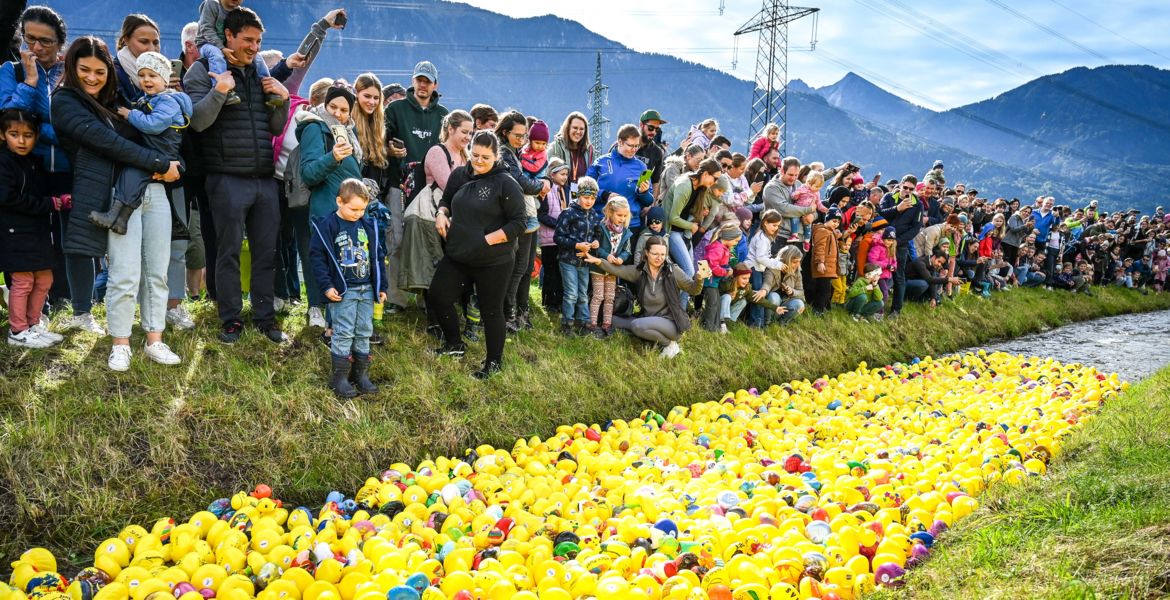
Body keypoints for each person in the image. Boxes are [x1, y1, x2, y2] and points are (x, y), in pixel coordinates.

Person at [184, 7, 290, 344]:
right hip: (225, 177)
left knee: (265, 251)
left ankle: (264, 318)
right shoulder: (202, 72)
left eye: (258, 41)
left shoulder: (261, 76)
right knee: (227, 252)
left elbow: (274, 127)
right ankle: (230, 319)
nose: (254, 47)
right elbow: (197, 122)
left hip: (263, 178)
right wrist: (220, 90)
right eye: (248, 40)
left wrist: (281, 100)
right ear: (228, 36)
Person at [430, 130, 526, 379]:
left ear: (496, 156)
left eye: (485, 157)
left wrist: (486, 240)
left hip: (493, 260)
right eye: (475, 155)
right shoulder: (460, 174)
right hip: (458, 253)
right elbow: (447, 199)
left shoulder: (506, 183)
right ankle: (454, 344)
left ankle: (493, 363)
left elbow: (519, 223)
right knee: (439, 296)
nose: (479, 161)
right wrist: (441, 213)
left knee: (491, 310)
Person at [1, 5, 72, 308]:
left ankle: (68, 303)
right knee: (27, 238)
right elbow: (9, 119)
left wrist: (36, 123)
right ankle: (29, 310)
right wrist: (30, 82)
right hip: (28, 168)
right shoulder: (10, 71)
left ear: (60, 42)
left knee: (70, 240)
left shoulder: (73, 71)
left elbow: (76, 125)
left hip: (70, 168)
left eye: (46, 41)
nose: (37, 48)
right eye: (30, 39)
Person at [88, 52, 191, 235]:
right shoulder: (151, 99)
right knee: (133, 176)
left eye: (152, 75)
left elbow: (154, 125)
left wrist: (131, 114)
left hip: (161, 151)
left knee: (132, 173)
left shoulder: (168, 101)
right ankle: (121, 221)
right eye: (142, 75)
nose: (146, 80)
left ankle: (114, 215)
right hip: (154, 150)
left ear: (165, 79)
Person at [309, 178, 387, 398]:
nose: (358, 213)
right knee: (343, 332)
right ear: (339, 201)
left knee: (364, 330)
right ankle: (339, 378)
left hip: (366, 289)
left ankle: (359, 375)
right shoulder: (328, 226)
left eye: (362, 209)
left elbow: (378, 257)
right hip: (344, 291)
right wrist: (326, 286)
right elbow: (317, 259)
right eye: (353, 209)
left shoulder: (367, 225)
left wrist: (382, 286)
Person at [383, 60, 447, 314]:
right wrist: (389, 147)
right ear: (413, 81)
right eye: (419, 80)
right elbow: (382, 137)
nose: (423, 85)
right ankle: (395, 299)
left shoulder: (443, 114)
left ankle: (426, 297)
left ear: (435, 85)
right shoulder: (396, 109)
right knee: (397, 239)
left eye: (428, 81)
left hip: (432, 189)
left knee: (430, 240)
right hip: (400, 183)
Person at [0, 108, 67, 347]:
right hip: (13, 233)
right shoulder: (3, 162)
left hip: (38, 230)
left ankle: (33, 324)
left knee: (45, 278)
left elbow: (42, 192)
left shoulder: (33, 162)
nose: (21, 140)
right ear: (2, 135)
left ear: (36, 136)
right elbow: (7, 198)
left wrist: (58, 198)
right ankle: (17, 331)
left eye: (28, 135)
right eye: (14, 134)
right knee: (23, 281)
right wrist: (48, 203)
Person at [582, 236, 708, 359]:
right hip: (648, 318)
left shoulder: (673, 271)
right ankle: (648, 333)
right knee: (613, 320)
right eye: (655, 254)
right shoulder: (640, 272)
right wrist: (598, 261)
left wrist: (699, 279)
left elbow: (694, 289)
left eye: (663, 254)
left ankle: (669, 344)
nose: (659, 258)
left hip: (671, 323)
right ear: (647, 253)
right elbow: (618, 270)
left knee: (637, 326)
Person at [401, 109, 470, 326]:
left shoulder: (465, 155)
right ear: (450, 129)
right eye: (464, 132)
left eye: (471, 133)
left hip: (452, 215)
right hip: (427, 216)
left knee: (446, 266)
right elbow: (449, 185)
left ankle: (444, 315)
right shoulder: (437, 152)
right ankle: (434, 321)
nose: (468, 137)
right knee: (432, 267)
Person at [494, 111, 547, 332]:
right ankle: (510, 313)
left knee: (525, 267)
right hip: (515, 215)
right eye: (518, 135)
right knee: (518, 267)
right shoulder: (504, 153)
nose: (522, 139)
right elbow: (520, 182)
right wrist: (541, 186)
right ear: (505, 132)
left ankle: (521, 310)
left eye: (524, 135)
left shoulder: (515, 152)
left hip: (526, 213)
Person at [196, 0, 278, 107]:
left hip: (223, 44)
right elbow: (206, 29)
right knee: (216, 55)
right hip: (206, 43)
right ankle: (223, 87)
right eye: (248, 40)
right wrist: (221, 48)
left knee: (258, 59)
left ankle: (269, 90)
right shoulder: (212, 5)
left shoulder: (236, 10)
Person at [661, 158, 721, 301]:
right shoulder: (684, 185)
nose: (716, 182)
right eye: (715, 178)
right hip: (672, 232)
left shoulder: (700, 188)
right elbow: (673, 218)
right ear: (705, 174)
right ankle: (677, 309)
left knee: (693, 272)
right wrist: (692, 226)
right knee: (688, 271)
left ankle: (681, 309)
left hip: (684, 233)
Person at [586, 123, 653, 235]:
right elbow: (585, 189)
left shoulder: (641, 167)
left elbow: (649, 201)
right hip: (602, 223)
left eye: (637, 146)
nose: (634, 149)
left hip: (630, 226)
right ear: (620, 142)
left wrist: (644, 192)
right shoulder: (601, 162)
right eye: (631, 146)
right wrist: (605, 195)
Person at [554, 176, 600, 335]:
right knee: (571, 293)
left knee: (583, 293)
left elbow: (596, 234)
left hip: (584, 261)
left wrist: (595, 242)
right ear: (578, 195)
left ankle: (584, 323)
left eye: (592, 198)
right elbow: (558, 237)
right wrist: (576, 245)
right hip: (568, 260)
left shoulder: (594, 215)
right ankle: (567, 323)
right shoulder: (568, 213)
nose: (589, 201)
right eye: (586, 197)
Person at [879, 174, 924, 317]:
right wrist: (897, 209)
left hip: (901, 244)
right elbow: (880, 214)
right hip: (882, 242)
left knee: (899, 276)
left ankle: (896, 309)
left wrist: (899, 240)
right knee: (876, 272)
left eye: (911, 189)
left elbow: (916, 228)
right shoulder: (888, 197)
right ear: (901, 185)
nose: (907, 191)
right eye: (905, 188)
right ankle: (875, 306)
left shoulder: (918, 204)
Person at [587, 196, 631, 337]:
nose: (622, 218)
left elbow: (627, 250)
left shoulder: (625, 232)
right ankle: (593, 323)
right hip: (599, 268)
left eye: (625, 216)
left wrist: (621, 259)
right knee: (598, 296)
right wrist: (607, 256)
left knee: (610, 297)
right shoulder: (601, 227)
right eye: (619, 215)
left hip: (613, 270)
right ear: (610, 212)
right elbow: (596, 249)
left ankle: (607, 323)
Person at [537, 157, 570, 313]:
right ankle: (548, 302)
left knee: (560, 272)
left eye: (566, 174)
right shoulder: (546, 191)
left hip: (562, 240)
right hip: (549, 240)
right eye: (562, 174)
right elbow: (541, 214)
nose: (565, 177)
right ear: (552, 174)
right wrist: (559, 225)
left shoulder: (565, 190)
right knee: (550, 272)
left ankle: (558, 301)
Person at [111, 14, 160, 106]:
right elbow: (120, 110)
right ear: (126, 40)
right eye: (144, 42)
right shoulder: (113, 73)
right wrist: (156, 89)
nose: (152, 48)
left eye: (156, 43)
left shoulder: (164, 72)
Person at [699, 225, 741, 331]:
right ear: (729, 238)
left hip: (714, 281)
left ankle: (712, 325)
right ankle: (708, 327)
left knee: (715, 303)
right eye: (736, 241)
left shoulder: (722, 248)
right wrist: (725, 272)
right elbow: (712, 265)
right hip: (710, 280)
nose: (736, 243)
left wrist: (727, 268)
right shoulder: (717, 248)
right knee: (712, 304)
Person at [809, 211, 841, 314]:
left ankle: (824, 308)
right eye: (834, 221)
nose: (836, 224)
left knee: (827, 289)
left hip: (829, 267)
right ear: (827, 220)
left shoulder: (830, 232)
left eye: (838, 222)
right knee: (824, 290)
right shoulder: (822, 231)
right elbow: (819, 248)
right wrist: (820, 262)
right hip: (824, 266)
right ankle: (818, 310)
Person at [788, 170, 826, 246]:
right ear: (808, 183)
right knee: (794, 219)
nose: (818, 189)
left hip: (808, 212)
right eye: (816, 186)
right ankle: (794, 235)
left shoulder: (817, 193)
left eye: (820, 187)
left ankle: (807, 241)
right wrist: (796, 194)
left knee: (808, 226)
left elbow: (818, 203)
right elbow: (793, 197)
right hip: (798, 209)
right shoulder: (802, 188)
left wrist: (823, 209)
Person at [635, 109, 666, 194]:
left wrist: (652, 203)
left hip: (642, 196)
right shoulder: (625, 144)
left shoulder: (657, 152)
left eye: (657, 130)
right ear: (641, 125)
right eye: (651, 128)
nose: (654, 132)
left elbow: (656, 181)